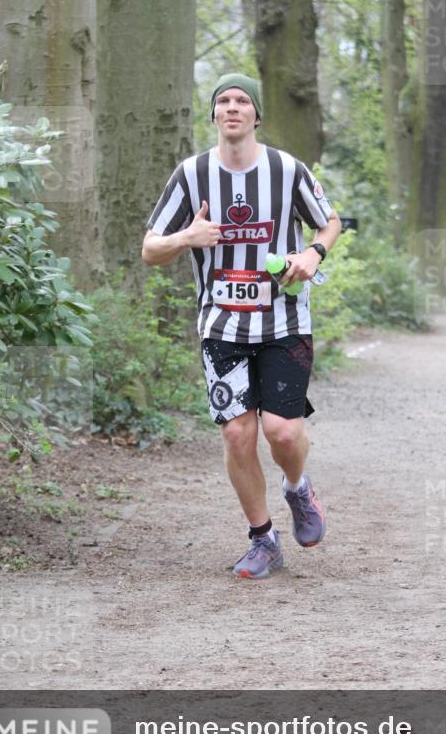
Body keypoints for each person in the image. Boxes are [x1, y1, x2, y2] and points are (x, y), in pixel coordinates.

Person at [141, 73, 342, 579]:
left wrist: (312, 254)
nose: (232, 108)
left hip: (284, 321)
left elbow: (330, 221)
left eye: (242, 101)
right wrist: (186, 237)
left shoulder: (286, 169)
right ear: (213, 114)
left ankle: (298, 488)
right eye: (224, 101)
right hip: (222, 327)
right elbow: (150, 249)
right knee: (236, 434)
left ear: (256, 115)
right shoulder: (191, 175)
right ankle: (263, 539)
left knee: (283, 432)